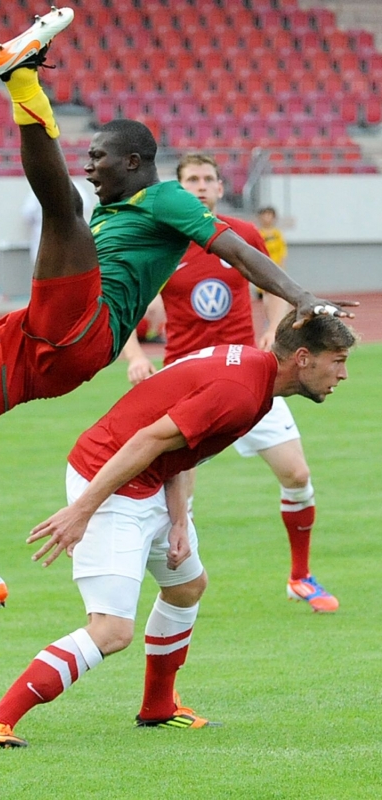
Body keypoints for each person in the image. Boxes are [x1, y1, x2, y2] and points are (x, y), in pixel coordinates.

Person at [0, 7, 356, 645]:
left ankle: (22, 78)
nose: (91, 166)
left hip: (85, 334)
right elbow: (66, 276)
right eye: (88, 156)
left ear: (135, 161)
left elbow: (236, 249)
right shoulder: (117, 210)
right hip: (39, 342)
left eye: (98, 157)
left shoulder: (166, 197)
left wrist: (303, 297)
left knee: (61, 207)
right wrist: (13, 323)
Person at [0, 311, 356, 747]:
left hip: (146, 478)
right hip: (110, 479)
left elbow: (182, 447)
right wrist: (82, 510)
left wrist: (179, 520)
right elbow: (148, 439)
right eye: (337, 361)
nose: (343, 374)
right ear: (303, 358)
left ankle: (159, 706)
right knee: (111, 630)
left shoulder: (254, 375)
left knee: (186, 587)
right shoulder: (242, 391)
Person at [123, 154, 338, 612]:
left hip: (250, 376)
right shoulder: (161, 244)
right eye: (191, 180)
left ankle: (300, 577)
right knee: (180, 498)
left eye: (208, 179)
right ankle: (178, 593)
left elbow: (274, 290)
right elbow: (125, 308)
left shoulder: (242, 235)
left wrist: (274, 329)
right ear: (178, 190)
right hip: (189, 383)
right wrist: (137, 356)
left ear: (221, 188)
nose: (201, 186)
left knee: (297, 475)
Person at [22, 177, 95, 265]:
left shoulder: (39, 190)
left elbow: (27, 214)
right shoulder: (75, 187)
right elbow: (85, 207)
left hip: (46, 240)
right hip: (62, 241)